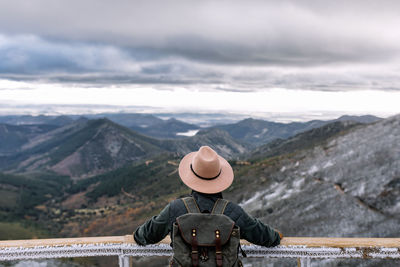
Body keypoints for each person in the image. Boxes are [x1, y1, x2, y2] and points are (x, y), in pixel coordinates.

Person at [134, 145, 282, 248]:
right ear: (220, 178)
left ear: (192, 178)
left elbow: (145, 236)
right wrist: (276, 235)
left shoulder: (175, 209)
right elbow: (267, 238)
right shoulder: (233, 212)